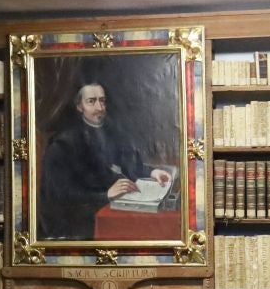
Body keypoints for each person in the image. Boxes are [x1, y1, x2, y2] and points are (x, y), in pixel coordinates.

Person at [40, 82, 172, 239]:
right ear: (79, 106)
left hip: (108, 206)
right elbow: (62, 195)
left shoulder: (110, 132)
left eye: (102, 101)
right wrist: (106, 194)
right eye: (91, 101)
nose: (99, 108)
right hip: (74, 221)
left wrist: (153, 172)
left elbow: (127, 165)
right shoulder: (63, 144)